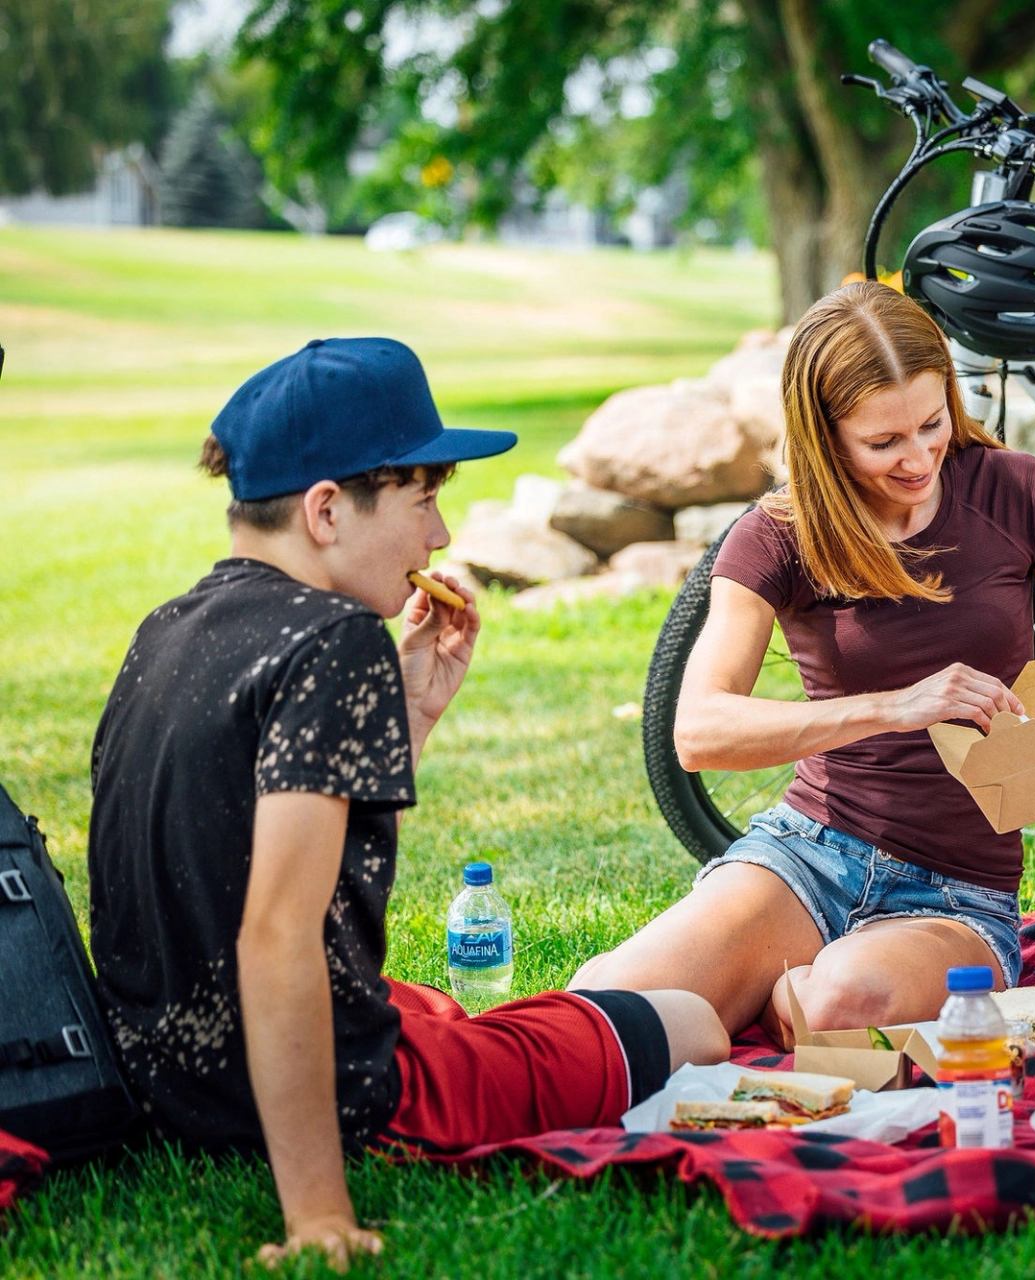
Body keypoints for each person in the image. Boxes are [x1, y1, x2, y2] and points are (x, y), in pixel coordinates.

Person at [87, 338, 729, 1271]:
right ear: (325, 510)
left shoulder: (170, 627)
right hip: (315, 1095)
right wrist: (316, 1215)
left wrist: (411, 710)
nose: (438, 536)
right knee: (688, 1022)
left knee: (435, 1004)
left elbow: (227, 856)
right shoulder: (333, 640)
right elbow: (276, 937)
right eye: (424, 498)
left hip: (162, 1074)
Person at [570, 282, 1035, 1036]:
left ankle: (771, 995)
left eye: (932, 424)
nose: (920, 458)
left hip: (958, 894)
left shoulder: (1015, 491)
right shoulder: (776, 535)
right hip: (806, 855)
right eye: (884, 443)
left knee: (842, 999)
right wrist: (897, 705)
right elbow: (697, 731)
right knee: (610, 1009)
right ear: (825, 438)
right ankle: (759, 984)